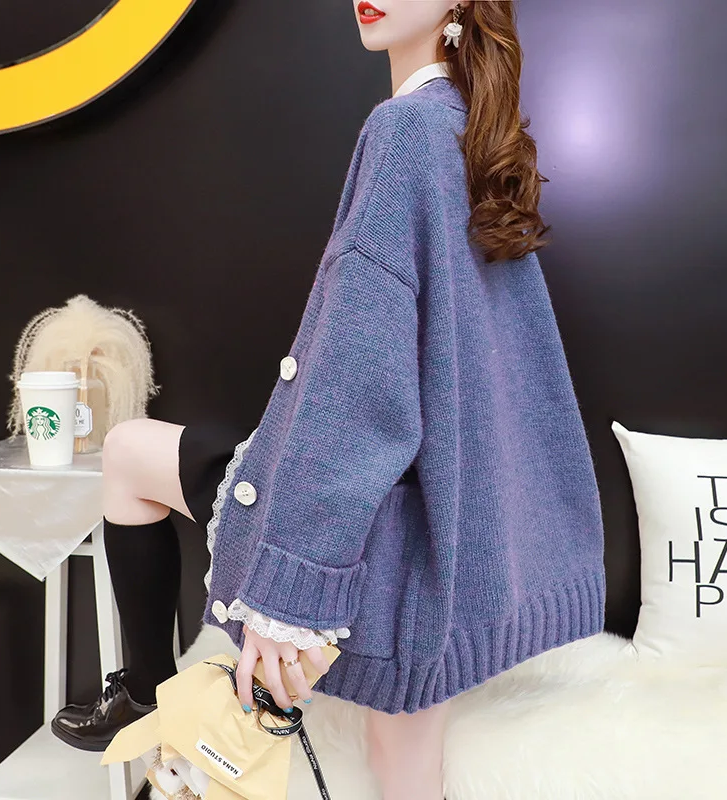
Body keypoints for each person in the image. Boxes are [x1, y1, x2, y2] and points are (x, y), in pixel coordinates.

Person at [52, 2, 607, 798]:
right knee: (407, 766)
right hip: (450, 529)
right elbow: (501, 372)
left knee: (126, 453)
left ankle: (144, 685)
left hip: (379, 526)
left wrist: (293, 589)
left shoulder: (404, 131)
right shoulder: (473, 131)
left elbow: (360, 379)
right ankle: (144, 689)